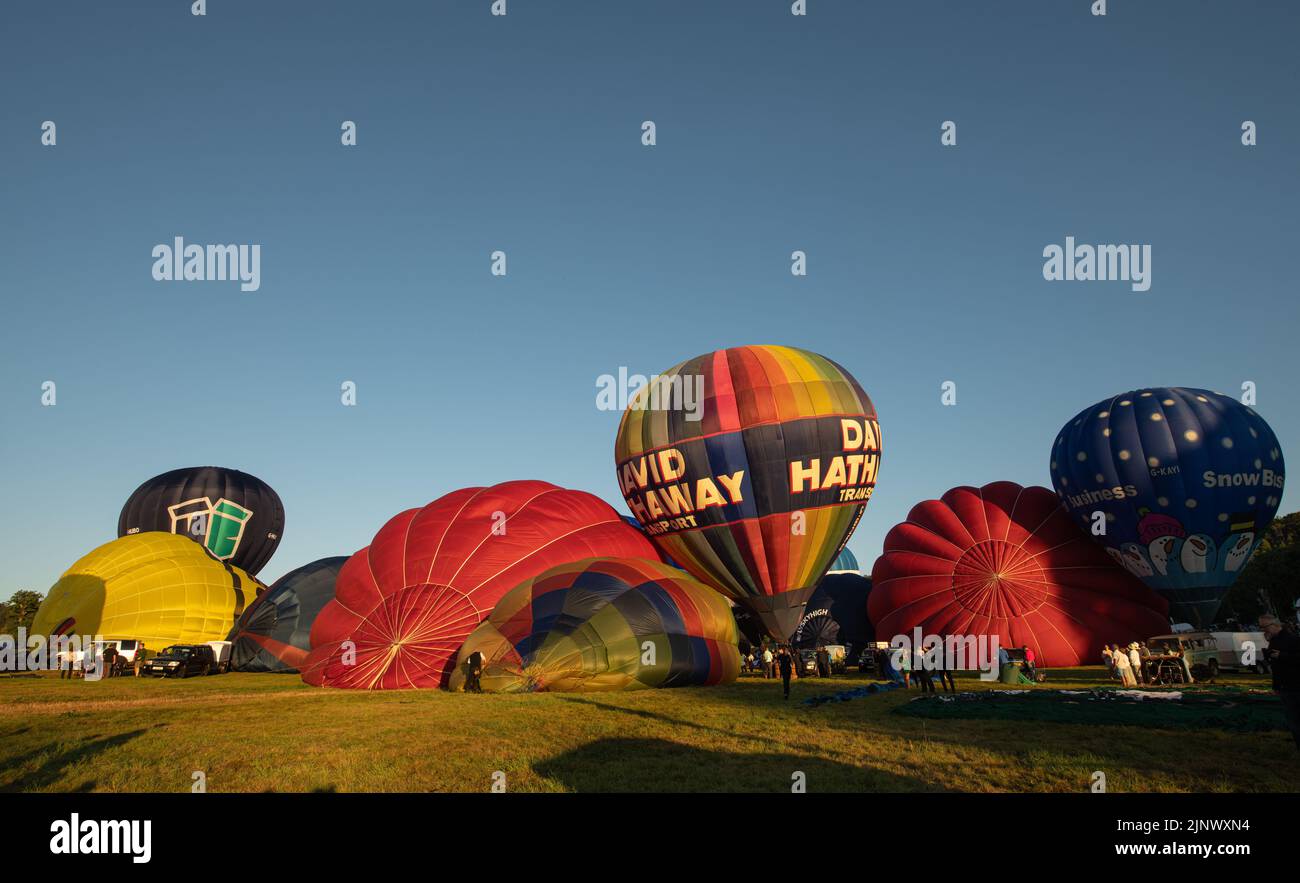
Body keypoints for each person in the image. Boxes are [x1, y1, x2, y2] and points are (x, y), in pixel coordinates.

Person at [1260, 614, 1300, 751]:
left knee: (1296, 720)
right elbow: (1277, 666)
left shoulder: (1293, 639)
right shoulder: (1274, 640)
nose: (1263, 630)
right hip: (1285, 686)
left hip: (1295, 685)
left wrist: (1282, 656)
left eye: (1265, 627)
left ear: (1276, 625)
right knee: (1293, 721)